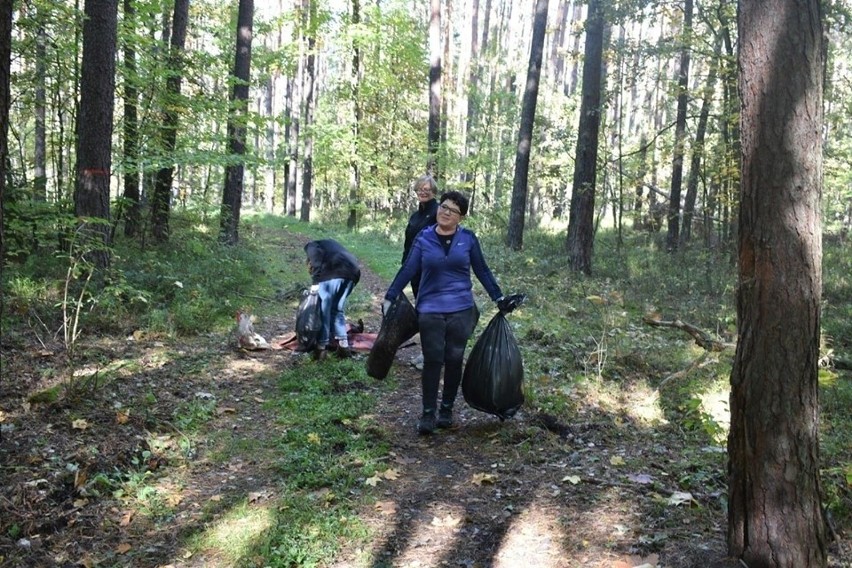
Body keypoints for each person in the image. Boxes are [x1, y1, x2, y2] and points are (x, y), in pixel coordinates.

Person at [382, 190, 517, 434]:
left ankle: (446, 410)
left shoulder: (468, 239)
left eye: (452, 210)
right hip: (430, 309)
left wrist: (498, 297)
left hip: (461, 309)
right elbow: (408, 269)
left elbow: (482, 271)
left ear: (461, 217)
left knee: (454, 359)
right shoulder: (423, 238)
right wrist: (390, 296)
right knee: (433, 360)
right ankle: (427, 414)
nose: (445, 212)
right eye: (443, 207)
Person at [304, 239, 361, 359]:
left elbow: (315, 258)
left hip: (335, 271)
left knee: (324, 309)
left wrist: (315, 281)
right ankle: (344, 346)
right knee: (337, 309)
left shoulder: (311, 246)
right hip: (353, 272)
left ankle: (321, 348)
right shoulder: (329, 246)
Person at [403, 174, 439, 299]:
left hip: (432, 270)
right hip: (415, 270)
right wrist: (405, 267)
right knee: (419, 305)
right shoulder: (415, 216)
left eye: (426, 189)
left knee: (431, 307)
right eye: (419, 189)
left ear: (433, 192)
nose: (422, 192)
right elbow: (408, 243)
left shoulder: (439, 212)